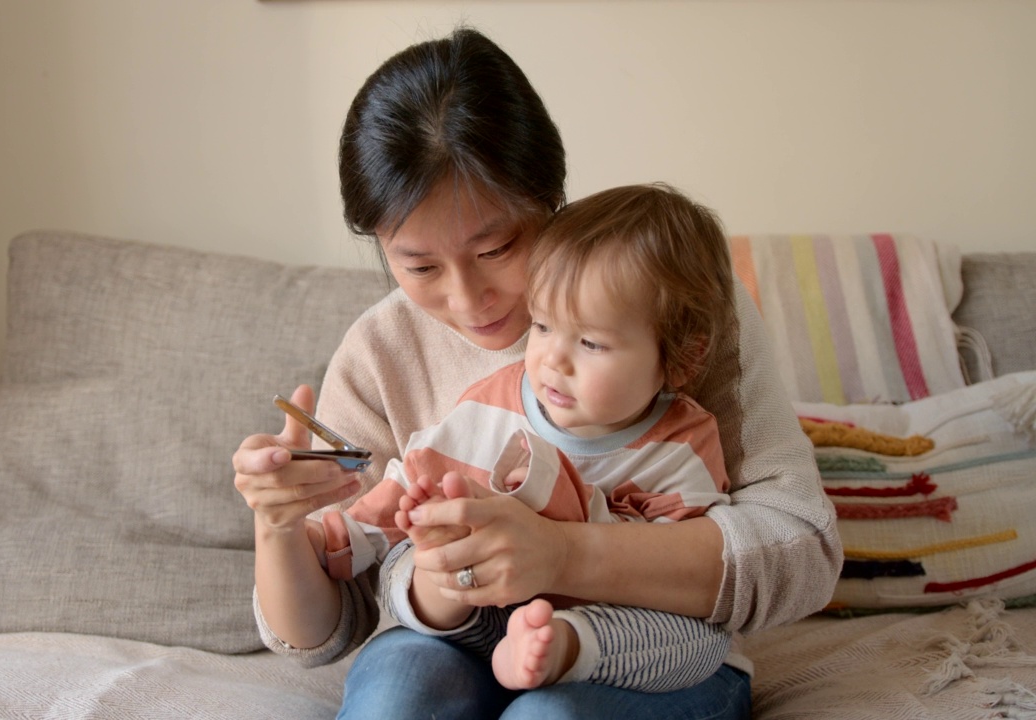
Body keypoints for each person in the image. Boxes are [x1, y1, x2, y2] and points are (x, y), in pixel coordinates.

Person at [232, 26, 842, 720]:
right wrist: (278, 527)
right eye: (420, 267)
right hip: (449, 644)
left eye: (497, 247)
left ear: (551, 198)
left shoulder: (669, 301)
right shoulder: (382, 349)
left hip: (637, 648)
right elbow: (316, 635)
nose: (468, 300)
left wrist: (561, 554)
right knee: (396, 697)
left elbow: (805, 547)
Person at [313, 184, 737, 693]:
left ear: (684, 358)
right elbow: (411, 477)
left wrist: (559, 503)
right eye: (542, 326)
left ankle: (563, 648)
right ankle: (526, 644)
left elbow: (678, 564)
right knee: (426, 574)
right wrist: (343, 537)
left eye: (591, 342)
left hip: (615, 630)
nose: (552, 361)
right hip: (498, 618)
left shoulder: (683, 442)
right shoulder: (495, 403)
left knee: (701, 639)